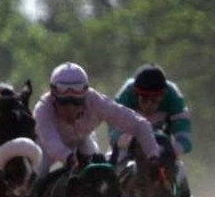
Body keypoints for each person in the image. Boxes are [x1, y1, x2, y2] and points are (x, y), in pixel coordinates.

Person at [32, 62, 166, 180]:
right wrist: (69, 158)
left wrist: (153, 155)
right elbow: (50, 140)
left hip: (83, 139)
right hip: (46, 148)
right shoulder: (43, 108)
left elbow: (140, 124)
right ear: (53, 96)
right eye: (64, 102)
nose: (70, 109)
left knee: (100, 169)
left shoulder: (96, 101)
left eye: (76, 102)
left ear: (85, 95)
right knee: (38, 174)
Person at [111, 63, 195, 197]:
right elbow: (114, 134)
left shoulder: (173, 95)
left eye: (156, 99)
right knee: (109, 170)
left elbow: (186, 139)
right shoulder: (125, 94)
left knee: (179, 170)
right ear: (135, 94)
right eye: (144, 98)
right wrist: (135, 143)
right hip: (131, 146)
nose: (149, 105)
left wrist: (172, 151)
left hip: (162, 145)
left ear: (163, 95)